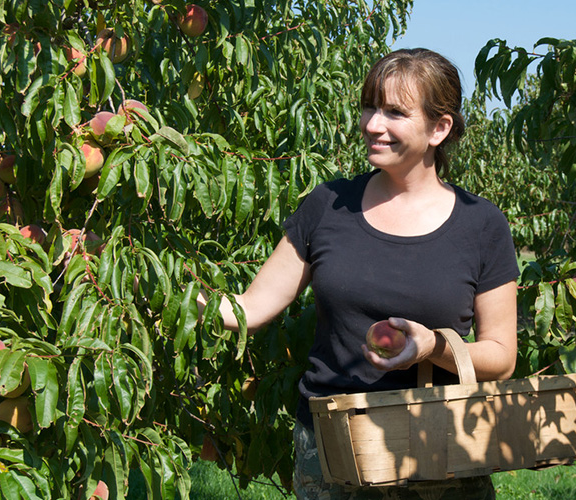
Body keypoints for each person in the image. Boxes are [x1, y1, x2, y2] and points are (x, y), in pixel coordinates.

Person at [198, 48, 519, 500]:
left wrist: (432, 346)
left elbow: (502, 357)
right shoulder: (328, 205)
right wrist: (166, 297)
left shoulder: (481, 224)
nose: (371, 124)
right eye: (369, 106)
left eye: (394, 112)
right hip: (333, 449)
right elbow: (250, 307)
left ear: (439, 128)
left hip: (440, 454)